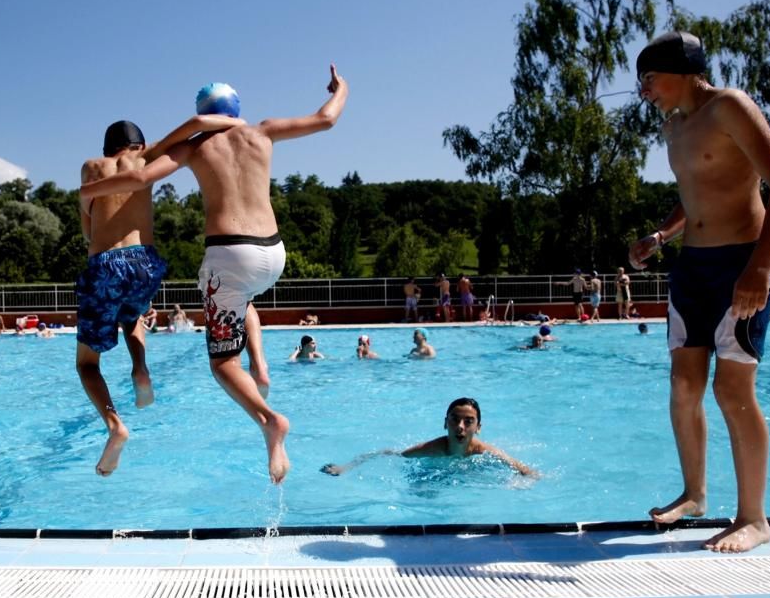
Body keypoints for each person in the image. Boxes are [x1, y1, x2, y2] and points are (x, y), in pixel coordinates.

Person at [81, 64, 347, 484]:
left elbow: (137, 178)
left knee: (222, 361)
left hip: (229, 254)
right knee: (242, 298)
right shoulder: (263, 131)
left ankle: (268, 420)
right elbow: (326, 118)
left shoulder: (194, 147)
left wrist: (86, 194)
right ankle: (260, 365)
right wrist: (341, 88)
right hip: (274, 254)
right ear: (236, 109)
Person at [630, 31, 770, 553]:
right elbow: (696, 195)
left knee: (732, 391)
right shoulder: (672, 127)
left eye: (650, 79)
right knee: (684, 386)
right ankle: (695, 494)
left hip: (742, 263)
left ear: (682, 71)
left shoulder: (730, 106)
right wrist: (662, 235)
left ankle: (754, 518)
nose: (645, 91)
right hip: (692, 268)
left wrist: (760, 265)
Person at [77, 114, 243, 477]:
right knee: (132, 315)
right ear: (138, 144)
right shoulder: (147, 158)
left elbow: (87, 228)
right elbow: (197, 122)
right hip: (144, 263)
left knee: (87, 363)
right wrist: (233, 120)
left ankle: (114, 426)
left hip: (104, 263)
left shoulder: (91, 167)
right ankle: (140, 368)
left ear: (107, 148)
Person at [320, 397, 538, 477]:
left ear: (478, 427)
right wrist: (345, 467)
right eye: (454, 420)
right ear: (445, 423)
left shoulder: (484, 452)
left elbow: (524, 470)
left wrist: (520, 484)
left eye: (468, 421)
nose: (460, 427)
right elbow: (389, 454)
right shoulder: (432, 449)